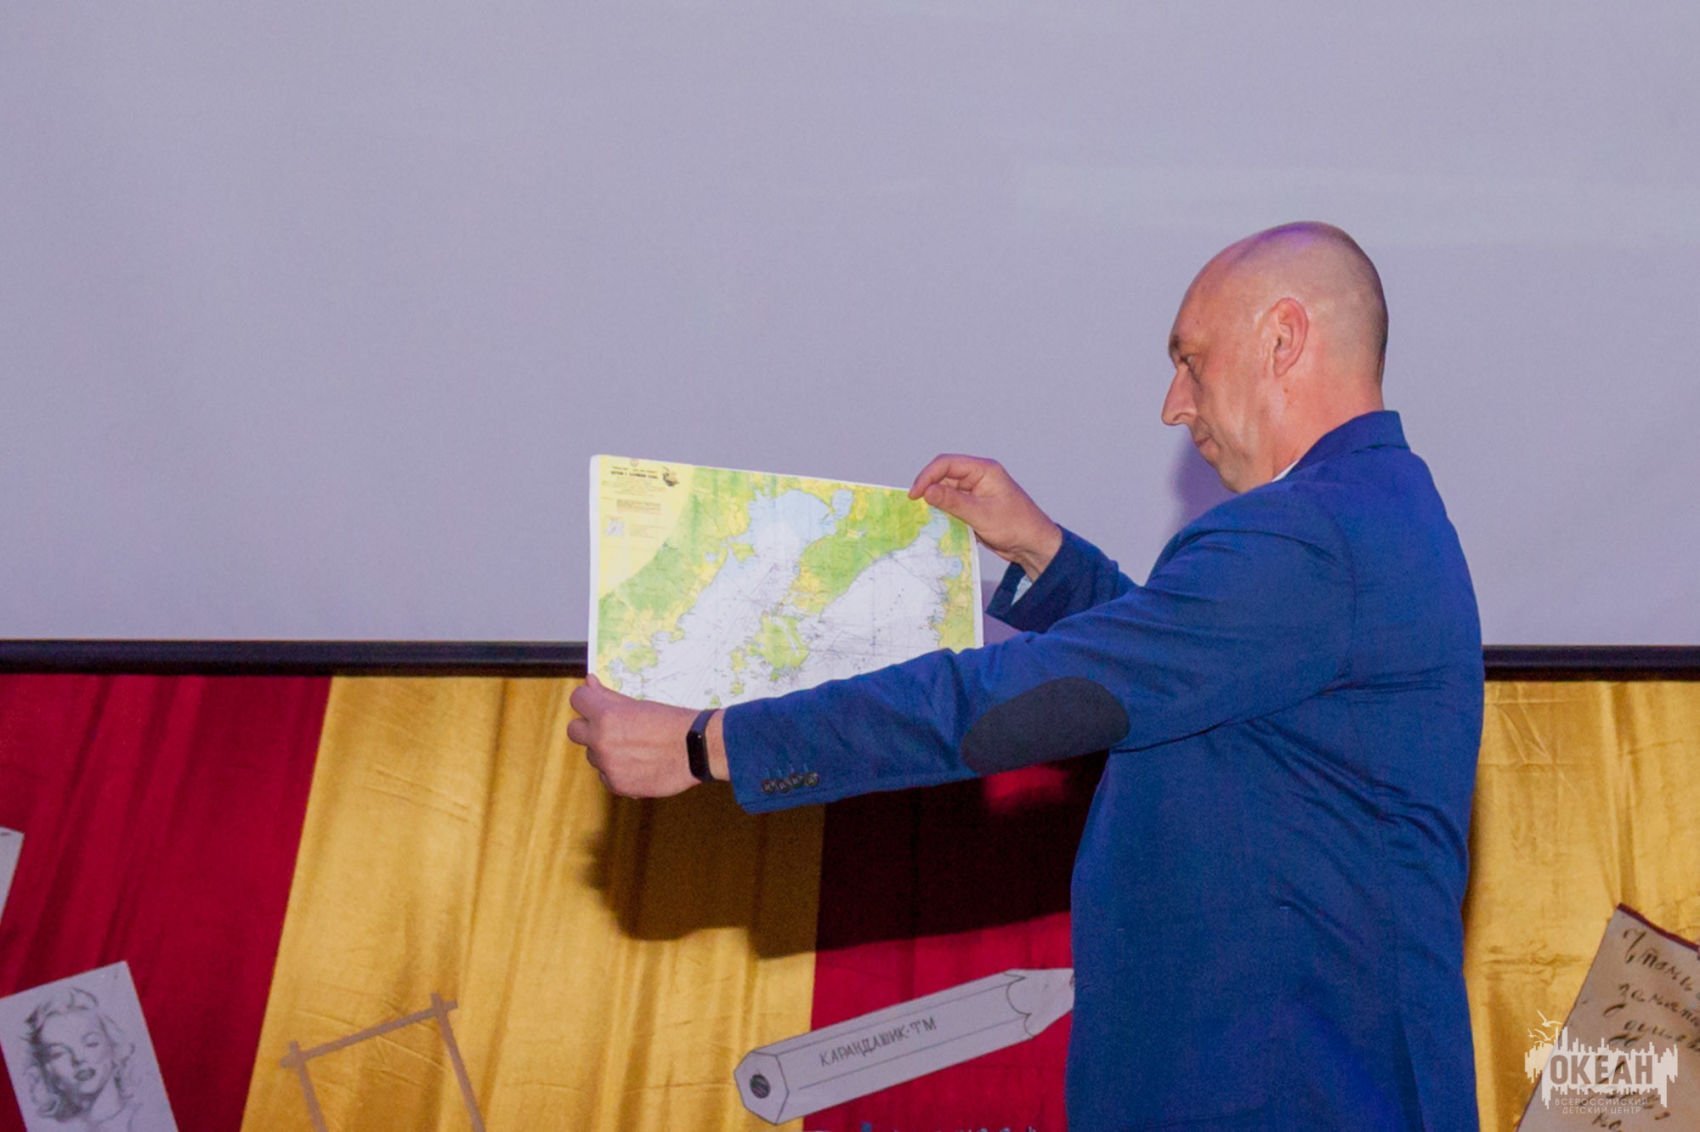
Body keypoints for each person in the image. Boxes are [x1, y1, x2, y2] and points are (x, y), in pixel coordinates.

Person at [570, 222, 1483, 1129]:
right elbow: (1195, 684)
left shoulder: (1309, 536)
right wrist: (1045, 555)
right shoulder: (1368, 519)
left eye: (1191, 362)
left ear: (1282, 339)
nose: (1174, 405)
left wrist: (711, 742)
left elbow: (1022, 700)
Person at [22, 986, 145, 1130]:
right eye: (59, 1053)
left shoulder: (144, 1117)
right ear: (46, 1070)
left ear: (113, 1046)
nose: (78, 1058)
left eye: (91, 1043)